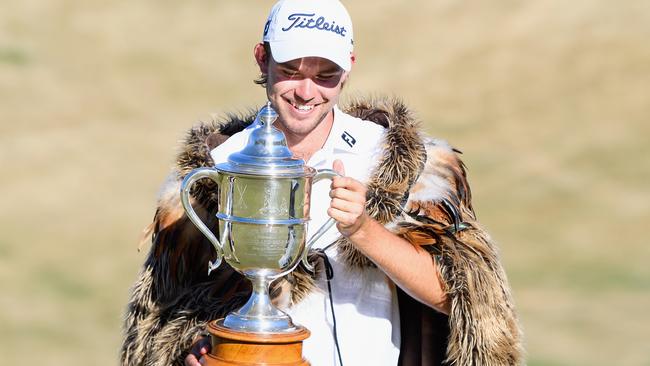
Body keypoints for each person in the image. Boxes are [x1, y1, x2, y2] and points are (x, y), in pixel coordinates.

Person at [120, 0, 523, 365]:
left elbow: (465, 301)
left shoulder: (400, 163)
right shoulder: (214, 170)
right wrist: (194, 352)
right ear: (263, 59)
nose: (306, 92)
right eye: (291, 72)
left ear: (348, 65)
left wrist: (363, 230)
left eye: (326, 76)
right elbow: (161, 322)